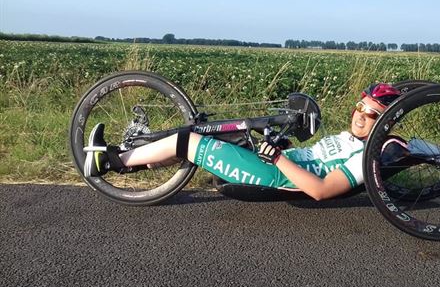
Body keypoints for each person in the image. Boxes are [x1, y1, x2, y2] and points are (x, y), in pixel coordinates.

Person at [84, 83, 402, 201]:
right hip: (280, 159)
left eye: (371, 115)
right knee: (211, 132)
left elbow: (320, 191)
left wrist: (279, 159)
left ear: (384, 122)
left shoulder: (364, 158)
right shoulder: (353, 137)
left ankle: (108, 161)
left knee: (189, 142)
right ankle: (133, 162)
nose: (360, 117)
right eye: (359, 108)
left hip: (276, 173)